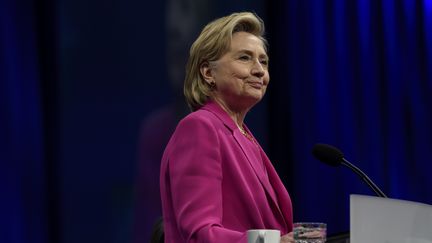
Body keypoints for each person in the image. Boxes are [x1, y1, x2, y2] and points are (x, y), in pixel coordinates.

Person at [160, 12, 294, 242]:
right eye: (245, 58)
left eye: (263, 61)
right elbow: (200, 233)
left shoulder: (243, 137)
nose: (259, 70)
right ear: (208, 72)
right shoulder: (199, 127)